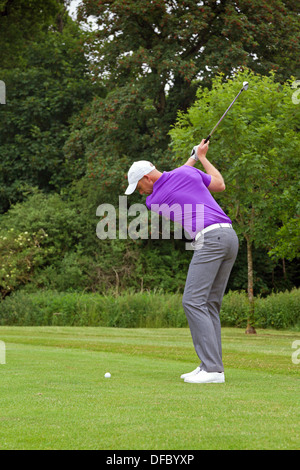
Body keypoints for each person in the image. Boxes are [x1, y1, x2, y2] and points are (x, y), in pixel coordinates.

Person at [124, 139, 239, 383]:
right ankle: (210, 365)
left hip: (210, 239)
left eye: (138, 186)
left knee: (192, 301)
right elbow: (219, 184)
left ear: (147, 178)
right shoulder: (187, 173)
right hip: (229, 237)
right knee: (208, 305)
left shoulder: (154, 200)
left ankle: (213, 370)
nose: (140, 192)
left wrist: (194, 157)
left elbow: (172, 176)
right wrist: (201, 157)